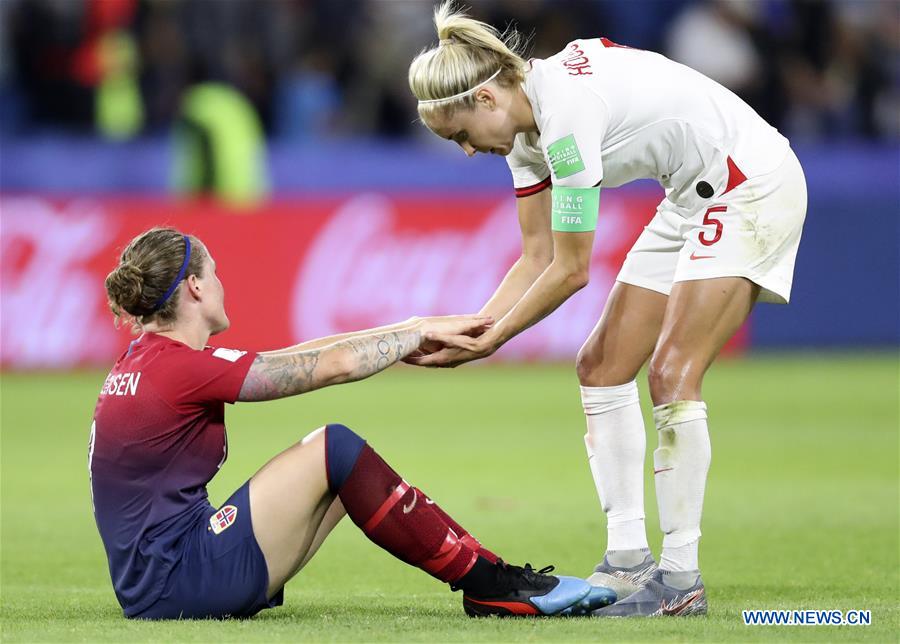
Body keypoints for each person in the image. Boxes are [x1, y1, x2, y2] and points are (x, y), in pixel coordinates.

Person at [407, 2, 807, 618]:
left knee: (672, 372)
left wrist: (493, 343)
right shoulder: (525, 133)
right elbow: (536, 254)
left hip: (747, 182)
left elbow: (570, 270)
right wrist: (474, 328)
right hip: (689, 195)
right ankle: (628, 561)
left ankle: (680, 579)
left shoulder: (564, 116)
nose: (464, 151)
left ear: (487, 99)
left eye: (459, 134)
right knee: (600, 365)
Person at [89, 227, 616, 620]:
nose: (222, 282)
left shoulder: (150, 361)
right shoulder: (181, 368)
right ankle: (490, 585)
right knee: (335, 448)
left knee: (348, 481)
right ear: (196, 289)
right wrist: (414, 335)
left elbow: (291, 356)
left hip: (155, 580)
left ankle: (490, 578)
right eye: (215, 272)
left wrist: (411, 327)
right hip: (180, 580)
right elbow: (333, 366)